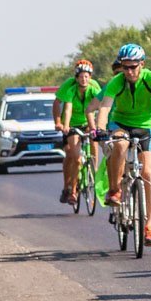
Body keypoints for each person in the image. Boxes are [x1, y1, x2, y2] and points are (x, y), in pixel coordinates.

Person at [93, 43, 151, 246]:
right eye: (125, 67)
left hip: (145, 127)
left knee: (148, 173)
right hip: (120, 123)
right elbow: (105, 107)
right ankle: (115, 189)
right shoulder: (116, 82)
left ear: (142, 64)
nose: (129, 71)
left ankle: (149, 227)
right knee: (120, 145)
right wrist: (100, 129)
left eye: (133, 67)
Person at [53, 60, 102, 205]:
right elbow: (64, 107)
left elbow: (102, 106)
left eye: (87, 76)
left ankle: (94, 169)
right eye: (81, 76)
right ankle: (70, 189)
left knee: (94, 139)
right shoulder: (70, 87)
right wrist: (62, 124)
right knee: (74, 157)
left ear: (90, 76)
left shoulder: (94, 87)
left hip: (88, 122)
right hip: (72, 125)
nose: (84, 79)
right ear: (76, 76)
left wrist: (100, 125)